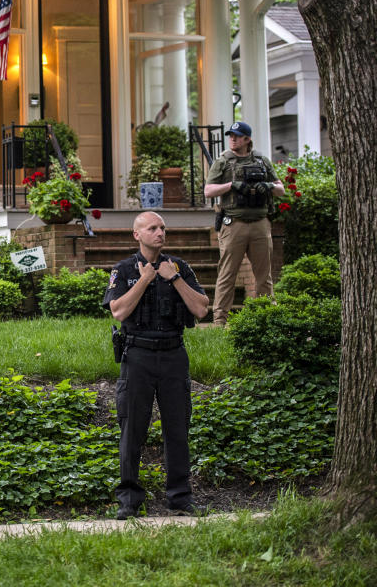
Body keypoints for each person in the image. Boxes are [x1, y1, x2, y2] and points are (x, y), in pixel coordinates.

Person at [103, 211, 210, 519]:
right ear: (137, 234)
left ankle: (179, 498)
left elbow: (202, 309)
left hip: (174, 355)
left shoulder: (179, 267)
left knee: (177, 428)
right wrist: (146, 279)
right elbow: (119, 311)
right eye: (152, 228)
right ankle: (129, 500)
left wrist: (172, 278)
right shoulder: (124, 269)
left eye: (162, 227)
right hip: (137, 356)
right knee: (132, 428)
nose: (160, 232)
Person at [204, 121, 285, 326]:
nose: (232, 139)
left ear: (247, 139)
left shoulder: (261, 161)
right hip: (234, 224)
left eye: (237, 136)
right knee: (227, 274)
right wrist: (231, 185)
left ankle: (267, 319)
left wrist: (267, 185)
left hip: (260, 223)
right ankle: (220, 321)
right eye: (231, 135)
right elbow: (208, 191)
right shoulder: (223, 161)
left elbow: (280, 190)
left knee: (263, 276)